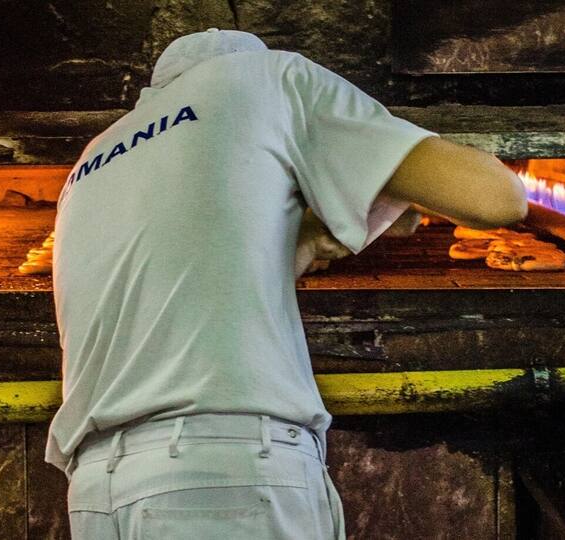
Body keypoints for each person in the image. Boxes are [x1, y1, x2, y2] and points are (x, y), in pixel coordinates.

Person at [47, 28, 526, 539]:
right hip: (224, 480)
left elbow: (222, 264)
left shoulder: (93, 158)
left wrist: (317, 235)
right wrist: (396, 181)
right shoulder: (271, 77)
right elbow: (496, 199)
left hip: (99, 494)